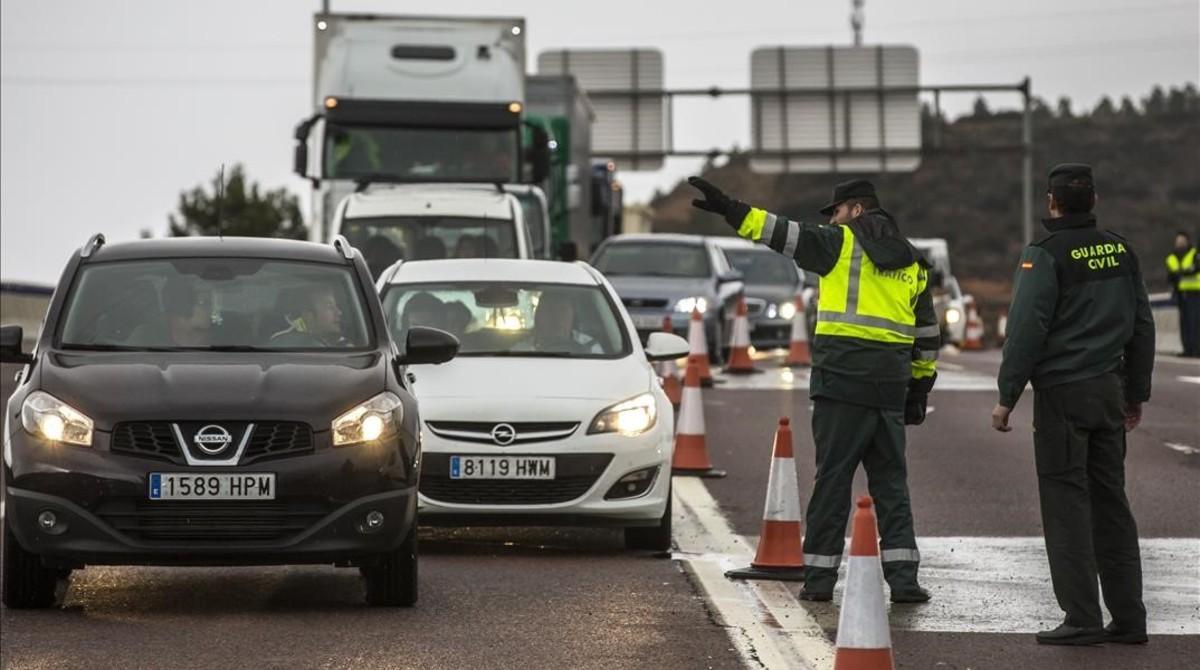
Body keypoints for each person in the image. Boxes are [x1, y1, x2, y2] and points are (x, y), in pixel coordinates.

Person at [689, 176, 939, 603]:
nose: (833, 220)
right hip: (889, 385)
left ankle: (821, 580)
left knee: (833, 481)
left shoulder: (840, 244)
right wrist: (919, 389)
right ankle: (904, 581)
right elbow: (927, 335)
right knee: (892, 484)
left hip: (842, 380)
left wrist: (730, 207)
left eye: (837, 212)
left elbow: (777, 232)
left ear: (856, 210)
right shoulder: (912, 260)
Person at [992, 164, 1155, 646]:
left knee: (1066, 505)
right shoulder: (1121, 250)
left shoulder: (1044, 255)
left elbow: (1027, 329)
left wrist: (1007, 397)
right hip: (1108, 389)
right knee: (1112, 505)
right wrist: (1136, 394)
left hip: (1063, 394)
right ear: (1095, 200)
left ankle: (1082, 617)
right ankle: (1129, 619)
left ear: (1052, 203)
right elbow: (1142, 325)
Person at [129, 277, 212, 347]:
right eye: (203, 302)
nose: (210, 310)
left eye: (207, 303)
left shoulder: (221, 339)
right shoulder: (145, 336)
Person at [522, 291, 602, 355]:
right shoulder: (521, 351)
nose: (557, 317)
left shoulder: (592, 348)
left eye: (563, 310)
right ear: (538, 316)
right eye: (550, 310)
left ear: (573, 315)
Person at [271, 286, 347, 347]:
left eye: (336, 306)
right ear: (308, 316)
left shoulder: (345, 344)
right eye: (329, 306)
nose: (339, 312)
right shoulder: (284, 343)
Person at [1165, 231, 1199, 357]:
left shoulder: (1195, 254)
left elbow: (1195, 269)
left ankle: (1196, 349)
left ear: (1187, 241)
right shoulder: (1171, 257)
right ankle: (1187, 349)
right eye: (1178, 241)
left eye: (1182, 241)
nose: (1180, 244)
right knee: (1184, 323)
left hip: (1194, 293)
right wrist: (1182, 273)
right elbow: (1170, 276)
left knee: (1194, 322)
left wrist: (1180, 273)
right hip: (1180, 294)